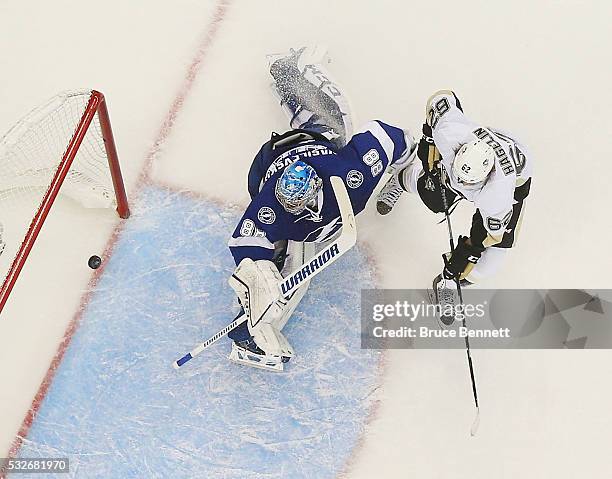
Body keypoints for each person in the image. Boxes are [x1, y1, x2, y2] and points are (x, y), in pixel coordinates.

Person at [226, 47, 414, 371]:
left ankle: (293, 67)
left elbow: (387, 136)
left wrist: (409, 162)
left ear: (315, 193)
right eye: (290, 206)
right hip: (266, 167)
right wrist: (257, 274)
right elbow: (245, 240)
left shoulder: (350, 175)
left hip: (314, 142)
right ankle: (248, 327)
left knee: (337, 121)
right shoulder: (271, 205)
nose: (294, 210)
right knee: (274, 271)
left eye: (300, 205)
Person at [376, 90, 532, 319]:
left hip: (517, 177)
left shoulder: (497, 197)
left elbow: (485, 237)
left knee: (489, 264)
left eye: (466, 183)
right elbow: (442, 98)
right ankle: (403, 178)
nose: (458, 183)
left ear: (484, 179)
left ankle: (449, 281)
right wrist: (429, 137)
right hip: (487, 143)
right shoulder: (451, 134)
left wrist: (459, 262)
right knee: (435, 198)